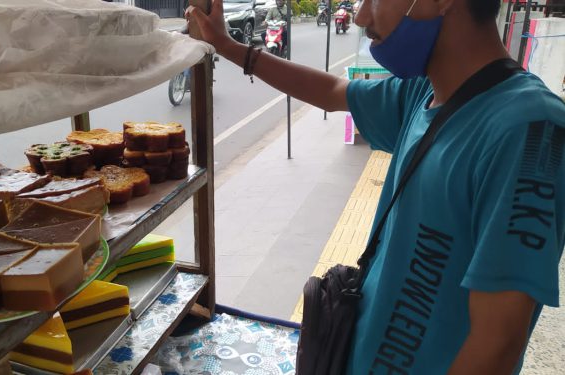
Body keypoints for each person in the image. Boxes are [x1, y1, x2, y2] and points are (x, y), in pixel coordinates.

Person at [186, 0, 565, 373]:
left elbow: (497, 343)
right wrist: (230, 48)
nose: (362, 16)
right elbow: (334, 91)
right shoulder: (424, 93)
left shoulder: (528, 129)